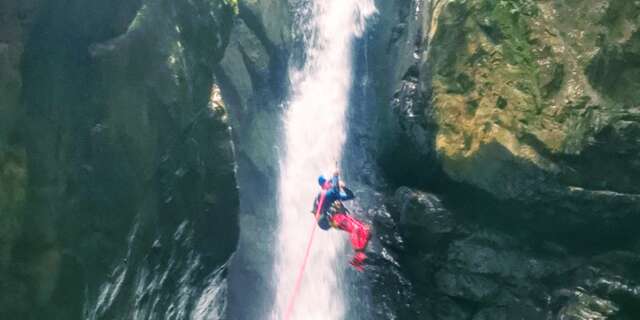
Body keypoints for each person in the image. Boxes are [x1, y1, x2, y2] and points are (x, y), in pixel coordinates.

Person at [311, 170, 371, 270]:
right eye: (329, 182)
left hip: (339, 217)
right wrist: (335, 176)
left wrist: (343, 187)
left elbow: (351, 196)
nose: (331, 183)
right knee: (355, 228)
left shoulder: (333, 194)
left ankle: (359, 259)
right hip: (333, 219)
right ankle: (358, 254)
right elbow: (334, 190)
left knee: (364, 229)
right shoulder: (324, 194)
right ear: (325, 184)